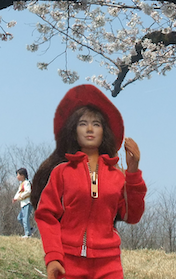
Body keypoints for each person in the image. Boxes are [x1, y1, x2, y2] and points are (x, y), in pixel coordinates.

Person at [32, 84, 146, 279]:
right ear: (74, 131)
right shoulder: (62, 172)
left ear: (105, 132)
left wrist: (133, 172)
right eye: (83, 123)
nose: (90, 129)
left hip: (109, 263)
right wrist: (53, 256)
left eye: (97, 124)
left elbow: (132, 215)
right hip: (68, 261)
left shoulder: (117, 176)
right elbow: (46, 215)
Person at [13, 167, 34, 237]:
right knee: (19, 218)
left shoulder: (27, 183)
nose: (17, 177)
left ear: (22, 175)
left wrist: (21, 196)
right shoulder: (21, 184)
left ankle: (28, 234)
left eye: (18, 175)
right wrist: (15, 198)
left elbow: (28, 191)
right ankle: (30, 229)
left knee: (25, 218)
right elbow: (18, 192)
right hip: (23, 204)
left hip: (27, 203)